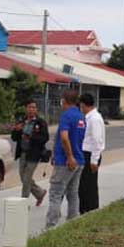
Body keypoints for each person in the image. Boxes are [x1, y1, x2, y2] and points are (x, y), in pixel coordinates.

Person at [45, 89, 85, 229]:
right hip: (79, 160)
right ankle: (73, 223)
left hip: (66, 162)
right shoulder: (81, 116)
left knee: (55, 194)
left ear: (64, 100)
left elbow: (64, 137)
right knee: (73, 193)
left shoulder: (66, 116)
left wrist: (69, 156)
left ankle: (50, 227)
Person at [10, 100, 49, 207]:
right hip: (22, 153)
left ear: (36, 109)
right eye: (29, 107)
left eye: (34, 107)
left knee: (27, 179)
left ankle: (23, 204)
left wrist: (30, 137)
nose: (31, 109)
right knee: (23, 177)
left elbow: (45, 138)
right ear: (26, 109)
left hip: (34, 154)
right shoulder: (22, 121)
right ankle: (40, 193)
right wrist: (16, 130)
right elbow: (14, 138)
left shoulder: (40, 122)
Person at [78, 93, 105, 214]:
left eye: (81, 106)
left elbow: (97, 140)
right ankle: (84, 209)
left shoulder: (94, 119)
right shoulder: (89, 117)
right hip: (86, 154)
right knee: (83, 185)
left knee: (89, 185)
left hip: (90, 155)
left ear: (83, 105)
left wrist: (94, 160)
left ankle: (90, 209)